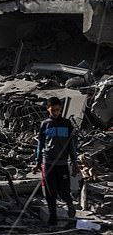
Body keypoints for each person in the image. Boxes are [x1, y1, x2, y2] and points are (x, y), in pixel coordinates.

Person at [34, 96, 79, 226]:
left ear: (61, 109)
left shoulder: (67, 124)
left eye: (58, 110)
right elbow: (40, 145)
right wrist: (38, 162)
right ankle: (52, 217)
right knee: (50, 192)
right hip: (48, 162)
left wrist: (74, 162)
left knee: (64, 190)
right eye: (53, 110)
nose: (55, 112)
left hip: (62, 163)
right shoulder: (45, 124)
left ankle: (70, 204)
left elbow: (71, 146)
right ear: (48, 109)